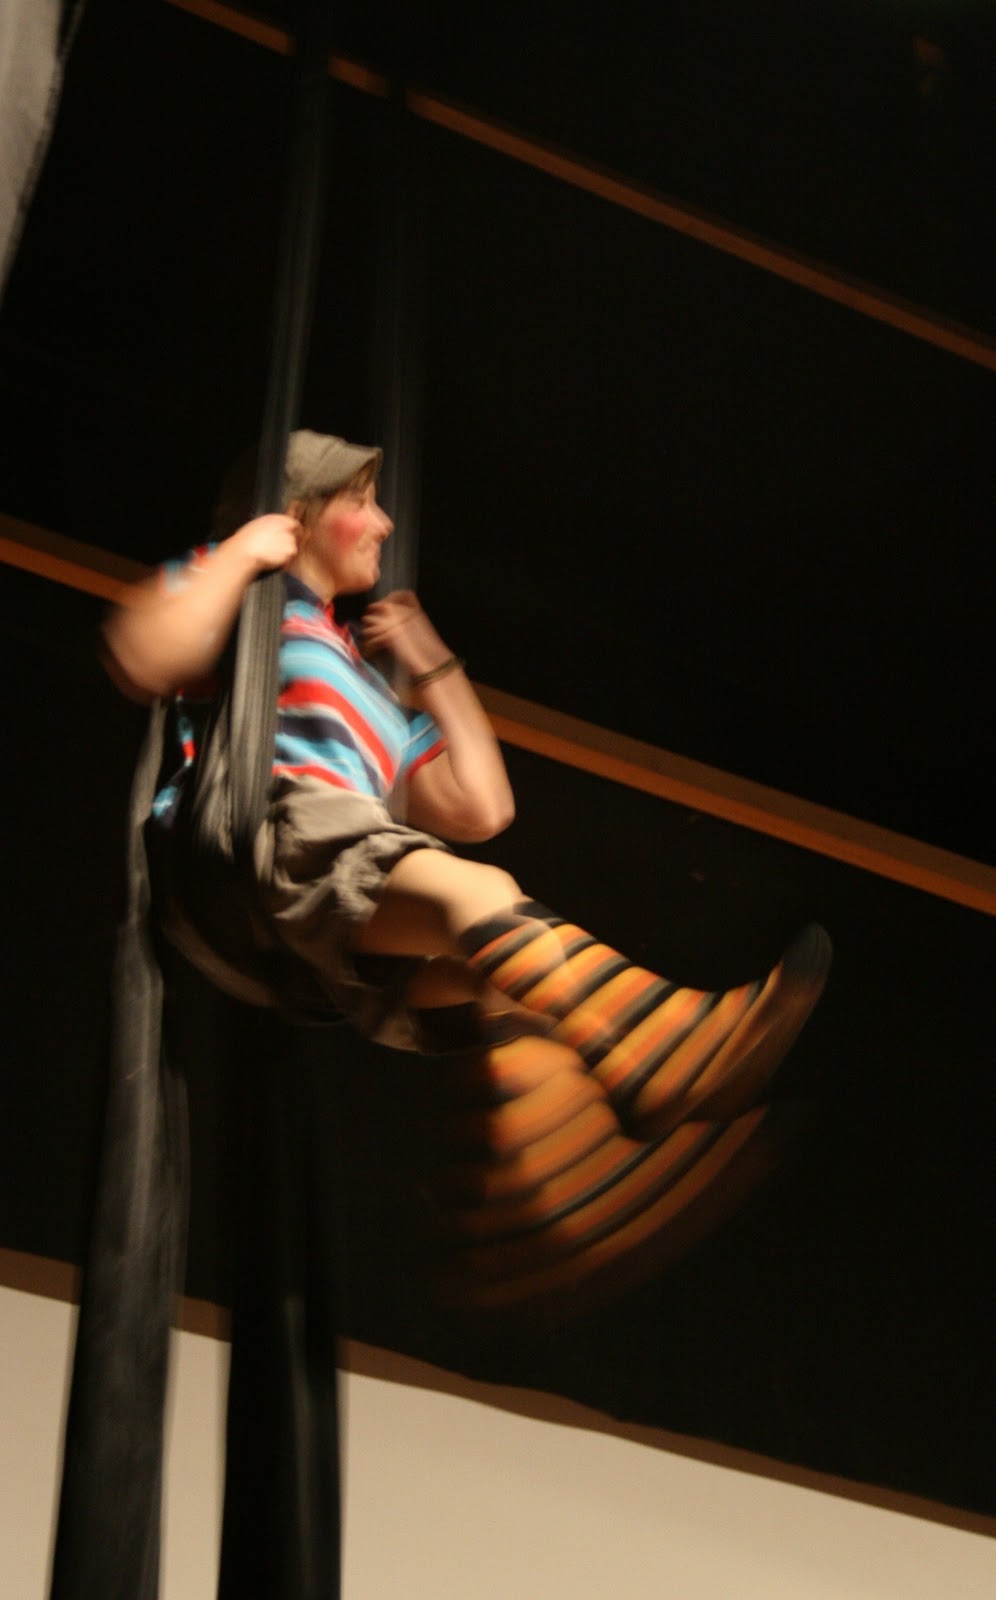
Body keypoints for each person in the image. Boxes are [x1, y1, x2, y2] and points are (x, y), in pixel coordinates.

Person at [103, 429, 831, 1148]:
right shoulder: (260, 606)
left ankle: (609, 1117)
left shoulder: (363, 680)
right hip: (273, 842)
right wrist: (241, 552)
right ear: (298, 514)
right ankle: (667, 1045)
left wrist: (433, 662)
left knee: (495, 980)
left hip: (322, 928)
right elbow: (142, 655)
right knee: (478, 896)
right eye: (361, 501)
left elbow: (483, 808)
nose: (384, 523)